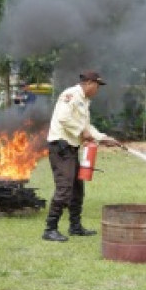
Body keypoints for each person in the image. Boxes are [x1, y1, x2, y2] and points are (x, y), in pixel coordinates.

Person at [42, 70, 122, 242]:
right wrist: (81, 131)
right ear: (89, 83)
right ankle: (50, 229)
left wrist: (103, 138)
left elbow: (86, 126)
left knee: (77, 189)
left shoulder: (84, 101)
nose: (97, 90)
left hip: (71, 149)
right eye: (97, 86)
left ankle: (75, 226)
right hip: (60, 147)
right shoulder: (70, 95)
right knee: (64, 188)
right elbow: (63, 118)